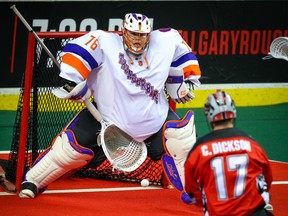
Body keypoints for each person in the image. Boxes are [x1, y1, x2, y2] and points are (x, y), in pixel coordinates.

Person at [19, 13, 202, 198]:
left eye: (142, 34)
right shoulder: (105, 42)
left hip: (154, 122)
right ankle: (33, 180)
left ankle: (195, 191)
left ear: (149, 35)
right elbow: (75, 53)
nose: (138, 39)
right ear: (123, 31)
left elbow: (182, 57)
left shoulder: (165, 40)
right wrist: (73, 82)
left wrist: (185, 81)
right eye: (133, 33)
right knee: (69, 150)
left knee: (182, 139)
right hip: (105, 119)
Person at [184, 90, 273, 216]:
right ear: (234, 113)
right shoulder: (251, 144)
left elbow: (192, 189)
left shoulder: (199, 149)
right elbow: (267, 179)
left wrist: (199, 200)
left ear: (209, 117)